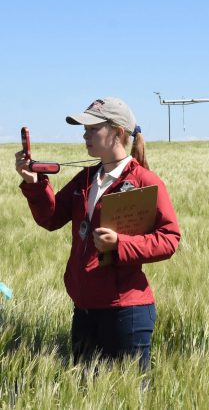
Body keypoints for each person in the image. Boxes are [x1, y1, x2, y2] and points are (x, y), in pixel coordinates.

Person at [15, 97, 180, 371]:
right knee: (85, 393)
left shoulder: (144, 182)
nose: (84, 135)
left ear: (117, 133)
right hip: (84, 310)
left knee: (128, 397)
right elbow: (51, 218)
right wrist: (33, 183)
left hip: (126, 313)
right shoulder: (86, 178)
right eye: (85, 129)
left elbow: (169, 238)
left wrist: (120, 244)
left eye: (93, 128)